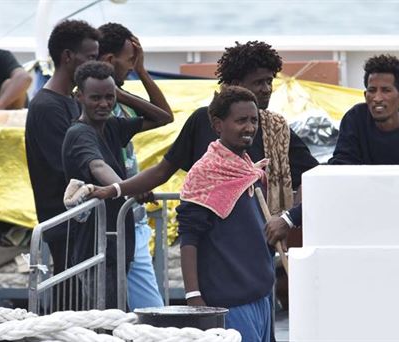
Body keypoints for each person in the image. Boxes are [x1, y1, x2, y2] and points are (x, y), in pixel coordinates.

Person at [91, 41, 318, 217]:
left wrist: (291, 217)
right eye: (259, 82)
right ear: (236, 83)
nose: (267, 89)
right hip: (212, 229)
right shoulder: (201, 121)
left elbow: (312, 175)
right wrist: (116, 189)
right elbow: (162, 171)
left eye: (270, 81)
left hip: (261, 234)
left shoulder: (277, 130)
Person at [265, 54, 399, 244]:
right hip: (366, 221)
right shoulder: (356, 119)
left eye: (385, 90)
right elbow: (338, 175)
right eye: (371, 90)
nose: (377, 97)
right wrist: (289, 219)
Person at [177, 86, 274, 341]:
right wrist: (192, 295)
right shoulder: (204, 173)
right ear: (218, 125)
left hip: (261, 295)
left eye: (254, 120)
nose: (250, 127)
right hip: (229, 302)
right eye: (241, 120)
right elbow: (189, 237)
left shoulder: (248, 169)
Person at [62, 61, 150, 308]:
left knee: (118, 315)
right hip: (95, 247)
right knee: (105, 322)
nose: (103, 104)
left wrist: (123, 92)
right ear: (78, 96)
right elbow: (98, 166)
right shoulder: (80, 133)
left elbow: (163, 116)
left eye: (109, 97)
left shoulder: (111, 126)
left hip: (118, 242)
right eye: (95, 97)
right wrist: (129, 188)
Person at [97, 22, 173, 309]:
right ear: (108, 60)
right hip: (111, 221)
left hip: (134, 219)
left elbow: (164, 116)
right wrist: (112, 89)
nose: (132, 67)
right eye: (130, 61)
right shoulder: (95, 107)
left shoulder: (121, 103)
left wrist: (140, 73)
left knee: (152, 310)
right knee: (113, 308)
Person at [25, 20, 100, 276]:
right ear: (68, 56)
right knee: (71, 300)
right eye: (90, 57)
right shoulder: (47, 107)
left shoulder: (72, 101)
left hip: (83, 223)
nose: (95, 65)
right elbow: (68, 166)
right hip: (65, 225)